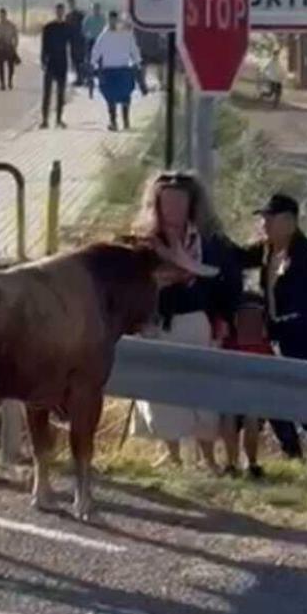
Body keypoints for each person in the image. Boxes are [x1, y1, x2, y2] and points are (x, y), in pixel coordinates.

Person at [132, 172, 243, 470]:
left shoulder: (210, 243)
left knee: (201, 393)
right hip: (157, 325)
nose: (173, 210)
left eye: (179, 203)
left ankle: (208, 458)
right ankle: (173, 455)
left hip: (195, 323)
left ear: (192, 205)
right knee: (160, 394)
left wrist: (223, 317)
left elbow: (229, 282)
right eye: (166, 203)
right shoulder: (145, 244)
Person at [243, 193, 307, 479]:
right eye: (263, 218)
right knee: (272, 401)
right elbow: (237, 257)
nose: (264, 224)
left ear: (289, 222)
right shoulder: (268, 249)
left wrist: (273, 329)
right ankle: (293, 456)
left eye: (270, 219)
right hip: (281, 340)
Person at [215, 294, 275, 478]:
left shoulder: (230, 342)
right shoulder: (262, 345)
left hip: (232, 384)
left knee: (231, 417)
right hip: (252, 386)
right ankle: (251, 463)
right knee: (250, 418)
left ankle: (232, 464)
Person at [90, 10, 142, 131]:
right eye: (110, 20)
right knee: (110, 97)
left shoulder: (126, 35)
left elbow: (133, 49)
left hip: (123, 68)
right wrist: (93, 63)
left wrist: (137, 62)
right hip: (109, 70)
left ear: (117, 20)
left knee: (125, 95)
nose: (112, 22)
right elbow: (96, 50)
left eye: (114, 19)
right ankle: (113, 121)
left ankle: (126, 120)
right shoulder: (104, 36)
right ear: (108, 20)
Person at [40, 2, 72, 128]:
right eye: (58, 11)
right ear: (56, 12)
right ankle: (45, 120)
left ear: (63, 12)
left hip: (62, 62)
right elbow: (44, 45)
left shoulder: (67, 27)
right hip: (51, 61)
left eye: (61, 11)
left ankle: (59, 119)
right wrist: (43, 60)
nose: (60, 13)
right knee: (47, 93)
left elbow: (72, 45)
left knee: (60, 93)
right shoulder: (49, 27)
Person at [0, 7, 19, 91]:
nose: (2, 17)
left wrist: (15, 46)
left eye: (3, 15)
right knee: (0, 67)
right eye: (1, 15)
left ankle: (10, 81)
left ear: (6, 15)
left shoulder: (11, 25)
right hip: (0, 48)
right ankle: (2, 83)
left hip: (9, 47)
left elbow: (16, 36)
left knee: (11, 67)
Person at [82, 2, 105, 98]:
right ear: (92, 9)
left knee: (101, 65)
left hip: (100, 42)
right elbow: (83, 30)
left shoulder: (103, 19)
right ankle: (90, 85)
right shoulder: (88, 19)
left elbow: (105, 30)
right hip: (91, 42)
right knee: (90, 65)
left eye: (97, 8)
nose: (96, 10)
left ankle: (101, 85)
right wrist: (87, 36)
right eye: (95, 8)